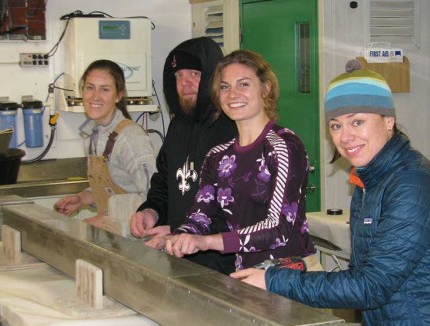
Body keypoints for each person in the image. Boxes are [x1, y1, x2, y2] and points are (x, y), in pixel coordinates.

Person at [231, 60, 430, 326]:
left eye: (357, 122)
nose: (345, 136)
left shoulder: (412, 184)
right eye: (336, 125)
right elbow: (361, 277)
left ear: (388, 120)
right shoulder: (370, 181)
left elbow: (371, 287)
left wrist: (275, 281)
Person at [146, 49, 318, 272]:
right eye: (225, 87)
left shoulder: (283, 146)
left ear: (265, 89)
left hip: (289, 276)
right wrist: (177, 236)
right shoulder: (218, 156)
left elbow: (279, 228)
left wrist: (207, 242)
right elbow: (200, 216)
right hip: (245, 275)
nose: (232, 94)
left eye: (243, 84)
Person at [129, 37, 238, 274]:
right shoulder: (178, 126)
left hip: (224, 265)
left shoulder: (233, 129)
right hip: (180, 257)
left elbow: (232, 208)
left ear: (212, 76)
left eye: (194, 74)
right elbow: (165, 182)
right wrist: (151, 211)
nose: (185, 83)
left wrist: (179, 231)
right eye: (178, 76)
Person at [54, 59, 157, 232]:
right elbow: (114, 190)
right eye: (90, 87)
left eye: (105, 89)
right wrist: (82, 198)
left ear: (118, 95)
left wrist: (104, 220)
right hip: (114, 239)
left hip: (138, 240)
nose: (95, 96)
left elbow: (153, 199)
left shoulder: (131, 137)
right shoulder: (93, 134)